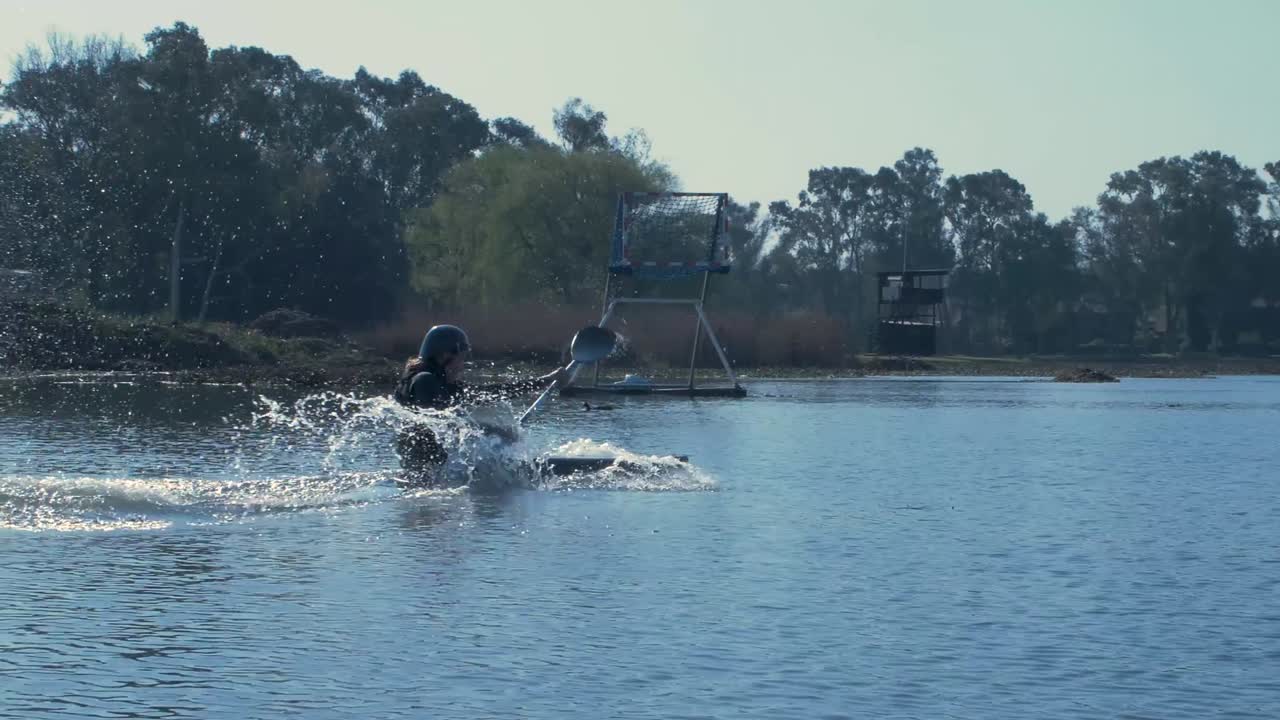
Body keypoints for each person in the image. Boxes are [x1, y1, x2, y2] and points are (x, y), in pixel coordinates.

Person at [393, 324, 569, 481]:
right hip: (428, 475)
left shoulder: (437, 381)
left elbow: (492, 393)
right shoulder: (425, 381)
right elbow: (447, 423)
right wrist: (496, 431)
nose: (462, 365)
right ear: (445, 355)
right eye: (461, 358)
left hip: (428, 471)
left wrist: (545, 380)